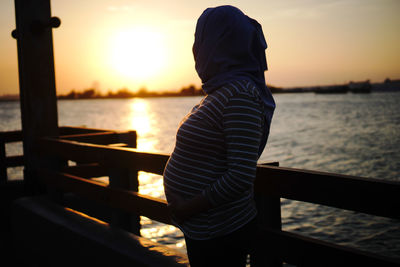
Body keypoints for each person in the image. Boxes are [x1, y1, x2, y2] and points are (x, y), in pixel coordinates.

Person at [163, 5, 275, 267]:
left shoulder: (240, 94)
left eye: (201, 39)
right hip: (208, 230)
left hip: (221, 233)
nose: (196, 48)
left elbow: (240, 176)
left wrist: (186, 208)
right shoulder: (223, 91)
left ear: (219, 42)